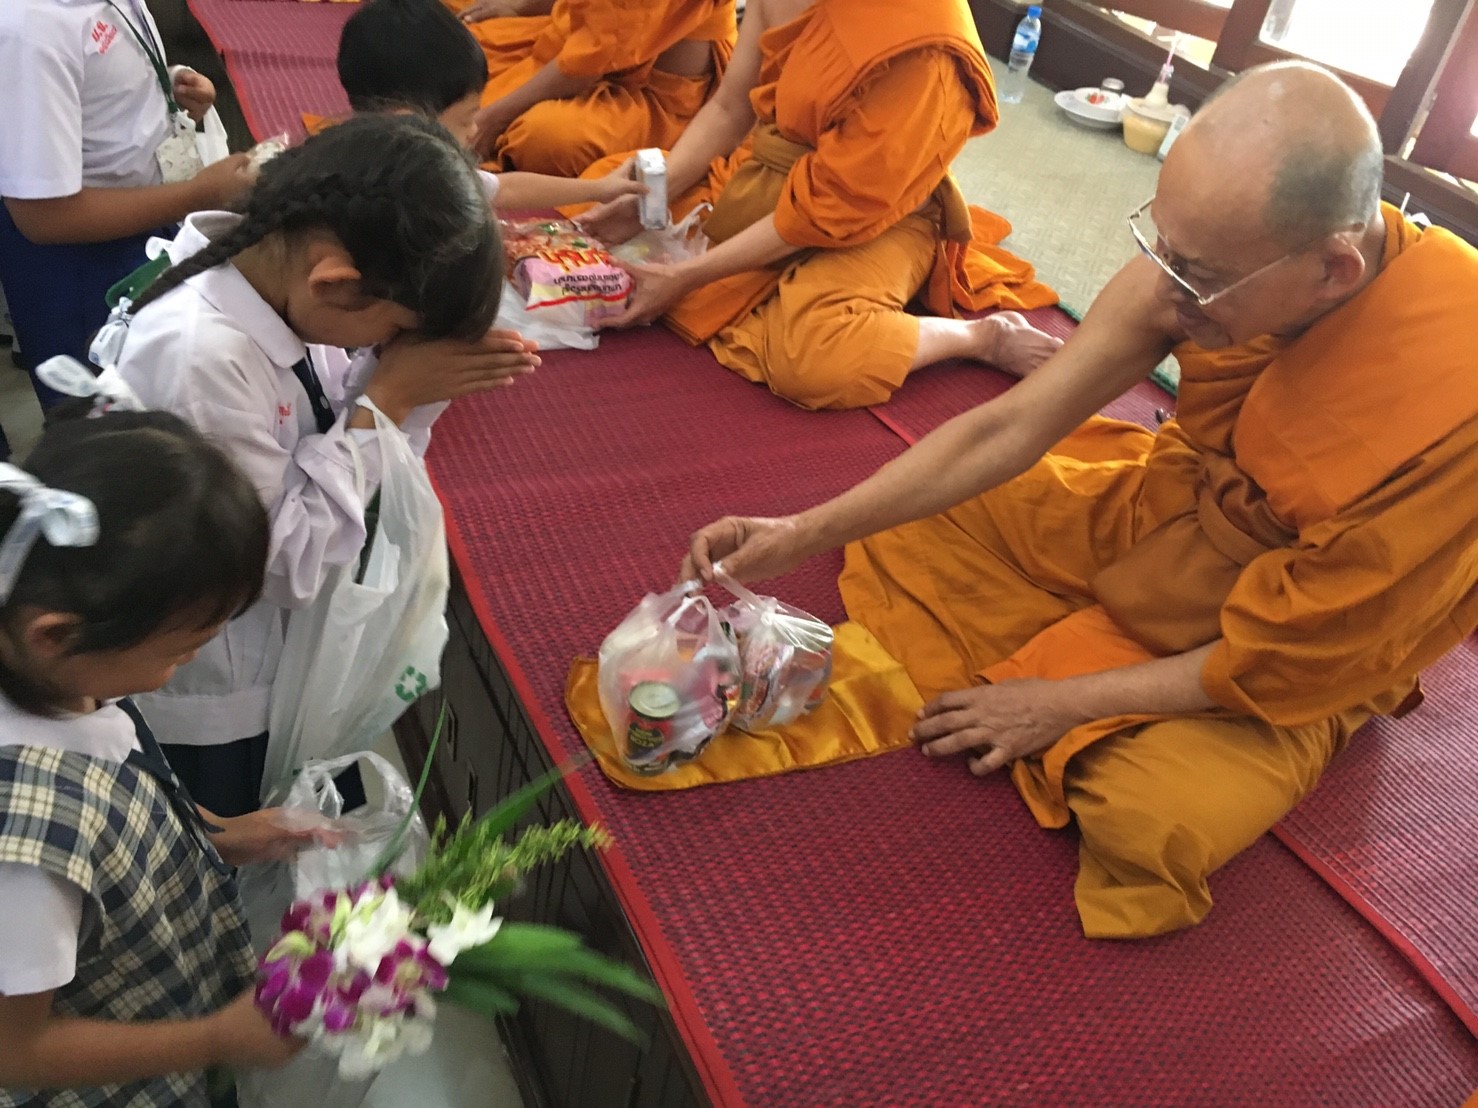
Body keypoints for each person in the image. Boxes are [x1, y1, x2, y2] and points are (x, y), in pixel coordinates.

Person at [681, 62, 1478, 938]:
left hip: (1302, 632)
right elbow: (1010, 426)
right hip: (1178, 513)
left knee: (1150, 822)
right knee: (928, 509)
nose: (1165, 284)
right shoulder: (1199, 271)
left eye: (1197, 274)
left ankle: (1275, 715)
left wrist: (1058, 703)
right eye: (1161, 245)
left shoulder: (1460, 398)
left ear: (1333, 269)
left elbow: (1301, 645)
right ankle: (1106, 635)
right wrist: (802, 530)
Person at [112, 113, 538, 817]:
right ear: (336, 283)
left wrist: (405, 394)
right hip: (226, 692)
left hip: (285, 670)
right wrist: (389, 399)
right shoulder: (200, 359)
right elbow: (280, 567)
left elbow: (341, 437)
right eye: (394, 330)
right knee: (258, 853)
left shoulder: (278, 286)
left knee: (310, 834)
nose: (385, 347)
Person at [0, 411, 310, 1105]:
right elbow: (14, 1050)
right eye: (182, 647)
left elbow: (130, 790)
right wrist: (213, 1040)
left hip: (171, 1002)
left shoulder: (69, 684)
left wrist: (222, 835)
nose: (190, 660)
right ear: (55, 635)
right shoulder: (25, 853)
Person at [579, 0, 1061, 411]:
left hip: (881, 211)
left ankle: (982, 337)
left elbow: (827, 209)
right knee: (608, 184)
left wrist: (687, 277)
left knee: (814, 360)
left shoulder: (921, 41)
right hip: (775, 171)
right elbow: (730, 107)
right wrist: (652, 197)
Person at [0, 0, 255, 423]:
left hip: (145, 219)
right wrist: (197, 194)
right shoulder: (31, 30)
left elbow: (93, 75)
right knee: (114, 427)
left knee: (165, 396)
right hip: (80, 262)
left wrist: (165, 86)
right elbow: (43, 217)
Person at [334, 0, 646, 210]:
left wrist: (599, 189)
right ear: (407, 121)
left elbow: (505, 189)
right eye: (466, 120)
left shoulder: (412, 158)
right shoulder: (396, 189)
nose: (475, 131)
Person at [456, 0, 738, 175]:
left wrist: (492, 119)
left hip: (653, 97)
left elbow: (586, 66)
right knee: (456, 51)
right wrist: (522, 6)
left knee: (541, 140)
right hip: (574, 47)